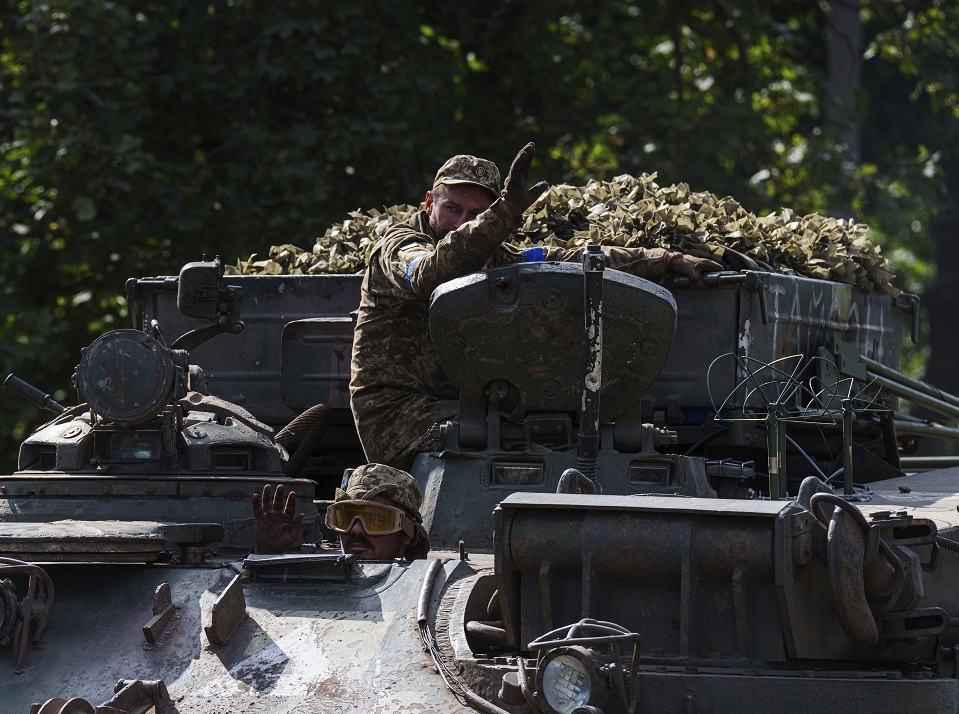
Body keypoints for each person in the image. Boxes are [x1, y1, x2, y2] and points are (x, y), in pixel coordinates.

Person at [349, 142, 723, 470]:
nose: (461, 223)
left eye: (475, 215)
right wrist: (502, 214)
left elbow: (568, 260)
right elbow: (430, 274)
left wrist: (664, 259)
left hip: (465, 411)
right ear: (430, 202)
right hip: (397, 415)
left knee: (558, 429)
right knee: (537, 436)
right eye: (453, 209)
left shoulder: (496, 259)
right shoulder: (399, 247)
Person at [252, 463, 430, 561]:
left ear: (407, 532)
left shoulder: (425, 592)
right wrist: (266, 556)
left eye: (376, 520)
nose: (356, 530)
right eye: (346, 518)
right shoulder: (318, 580)